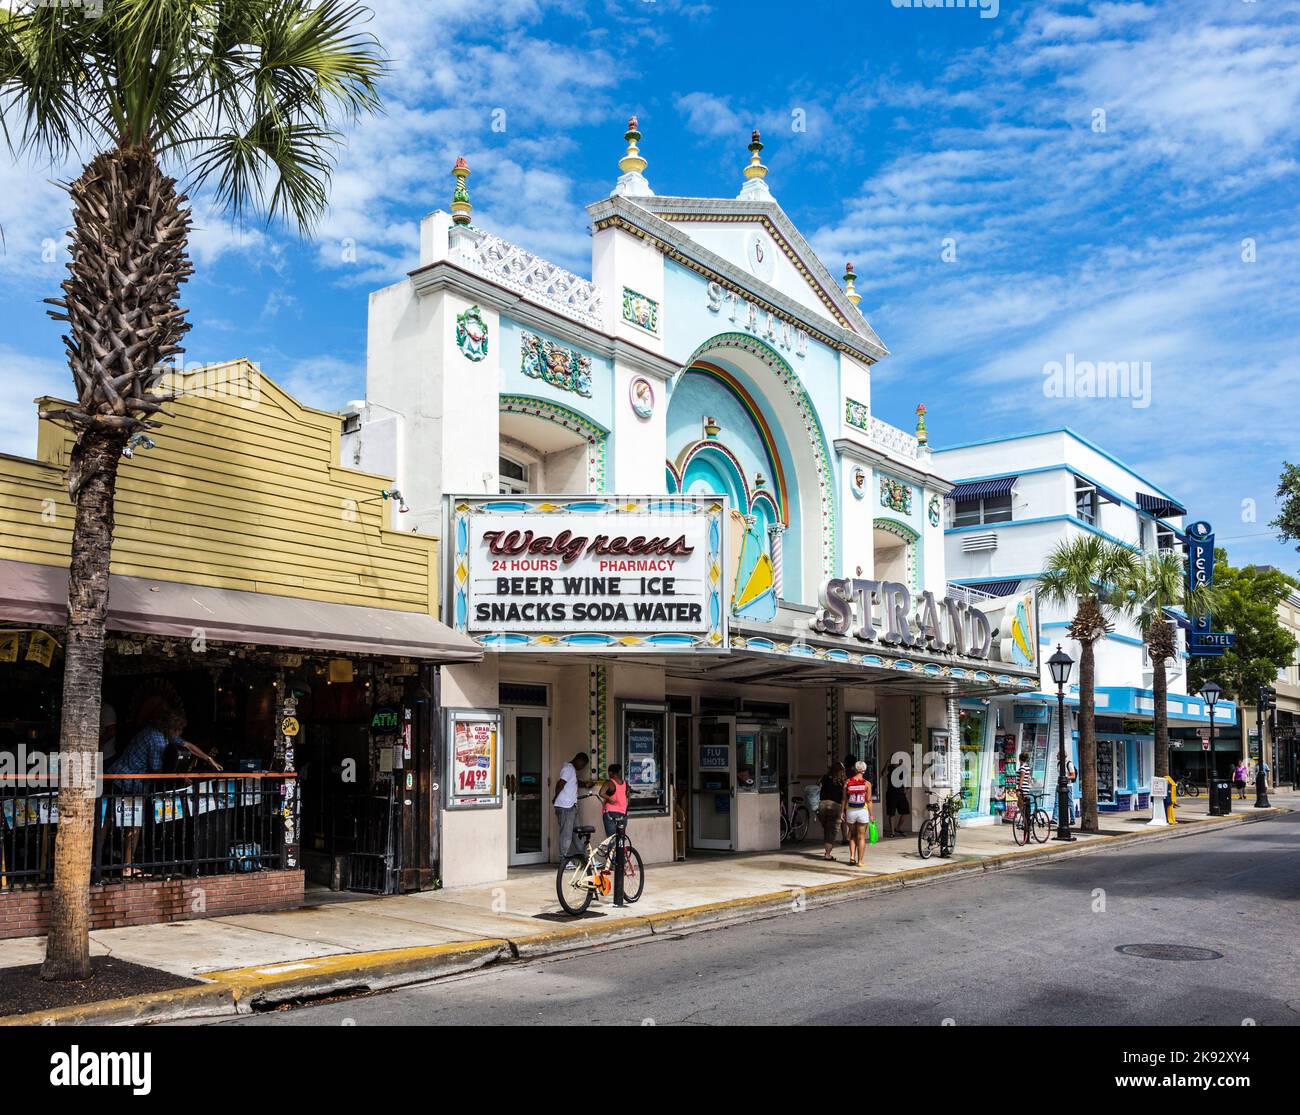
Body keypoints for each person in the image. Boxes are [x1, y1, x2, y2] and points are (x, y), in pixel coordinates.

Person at [108, 709, 221, 875]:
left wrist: (208, 759)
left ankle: (111, 864)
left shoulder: (161, 733)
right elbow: (157, 771)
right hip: (127, 782)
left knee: (112, 821)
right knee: (130, 824)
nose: (180, 733)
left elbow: (187, 744)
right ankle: (125, 867)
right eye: (179, 730)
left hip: (119, 778)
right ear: (171, 728)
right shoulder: (156, 740)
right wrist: (180, 778)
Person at [552, 751, 591, 858]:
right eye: (582, 765)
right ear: (578, 760)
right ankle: (564, 858)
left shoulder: (571, 769)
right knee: (566, 834)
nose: (582, 768)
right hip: (565, 806)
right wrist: (555, 797)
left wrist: (585, 784)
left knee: (577, 833)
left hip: (571, 806)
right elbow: (560, 784)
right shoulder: (568, 769)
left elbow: (573, 782)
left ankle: (585, 857)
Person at [844, 761, 873, 867]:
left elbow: (844, 799)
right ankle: (860, 861)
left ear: (855, 769)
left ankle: (852, 857)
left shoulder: (847, 782)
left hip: (850, 811)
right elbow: (869, 800)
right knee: (861, 837)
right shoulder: (867, 784)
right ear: (864, 771)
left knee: (852, 835)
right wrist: (871, 815)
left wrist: (842, 812)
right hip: (862, 811)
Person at [817, 761, 845, 860]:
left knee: (827, 829)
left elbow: (818, 785)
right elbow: (843, 797)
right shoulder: (842, 781)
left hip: (822, 805)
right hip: (835, 806)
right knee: (831, 831)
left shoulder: (824, 778)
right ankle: (827, 854)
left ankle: (827, 851)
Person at [599, 763, 628, 838]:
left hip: (610, 813)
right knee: (620, 838)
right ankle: (620, 850)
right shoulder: (625, 783)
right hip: (623, 813)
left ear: (610, 772)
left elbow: (601, 793)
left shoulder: (609, 782)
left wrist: (609, 799)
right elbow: (628, 796)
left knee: (611, 838)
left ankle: (612, 850)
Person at [885, 757, 909, 837]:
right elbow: (883, 774)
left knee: (905, 811)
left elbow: (906, 779)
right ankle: (892, 832)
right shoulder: (889, 768)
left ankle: (898, 828)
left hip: (901, 793)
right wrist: (887, 763)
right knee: (891, 813)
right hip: (891, 793)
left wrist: (907, 789)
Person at [1016, 751, 1034, 820]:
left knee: (1021, 804)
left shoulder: (1022, 768)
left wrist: (1019, 789)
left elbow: (1021, 779)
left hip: (1023, 788)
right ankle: (1026, 820)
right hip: (1026, 788)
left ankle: (1025, 820)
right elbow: (1028, 778)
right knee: (1021, 804)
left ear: (1020, 759)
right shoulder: (1027, 767)